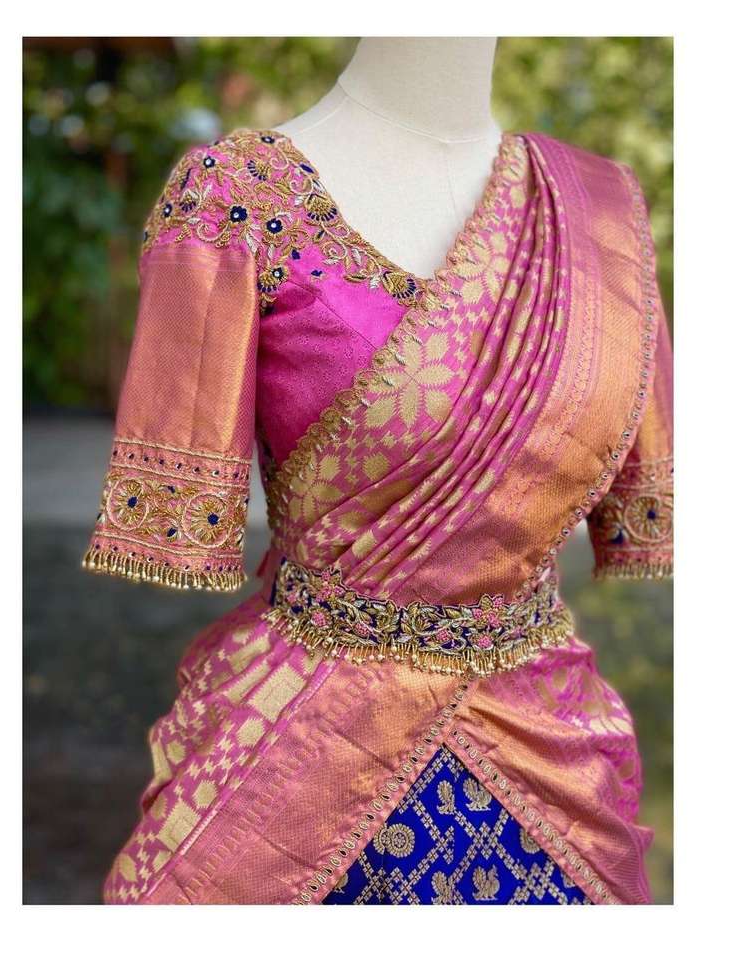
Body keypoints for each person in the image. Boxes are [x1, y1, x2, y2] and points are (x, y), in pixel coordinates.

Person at [82, 41, 672, 905]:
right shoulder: (237, 196)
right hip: (299, 751)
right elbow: (177, 502)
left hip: (557, 762)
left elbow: (638, 492)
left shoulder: (600, 215)